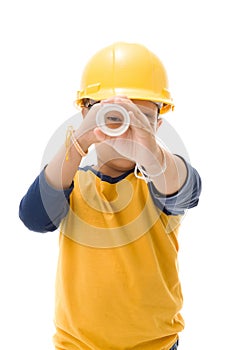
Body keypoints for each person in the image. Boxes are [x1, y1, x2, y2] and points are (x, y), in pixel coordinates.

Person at [19, 42, 201, 350]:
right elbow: (34, 217)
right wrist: (79, 141)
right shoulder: (71, 179)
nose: (127, 130)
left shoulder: (158, 179)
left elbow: (185, 192)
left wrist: (152, 154)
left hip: (155, 344)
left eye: (142, 118)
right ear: (86, 113)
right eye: (114, 116)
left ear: (158, 124)